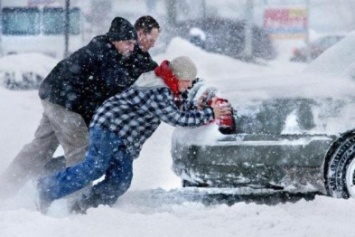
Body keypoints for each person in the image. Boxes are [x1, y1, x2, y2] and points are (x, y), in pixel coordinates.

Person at [37, 56, 232, 214]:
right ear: (178, 77)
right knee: (94, 168)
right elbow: (176, 117)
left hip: (125, 137)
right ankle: (46, 189)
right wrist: (211, 113)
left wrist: (200, 106)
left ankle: (86, 207)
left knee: (120, 180)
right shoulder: (158, 90)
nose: (188, 86)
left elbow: (178, 104)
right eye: (187, 82)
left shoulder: (168, 86)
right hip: (108, 126)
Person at [0, 17, 141, 198]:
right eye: (128, 43)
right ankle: (74, 200)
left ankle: (6, 187)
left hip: (52, 97)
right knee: (80, 151)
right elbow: (109, 91)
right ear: (116, 40)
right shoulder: (105, 57)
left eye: (133, 43)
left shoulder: (102, 49)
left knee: (40, 148)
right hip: (66, 105)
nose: (132, 47)